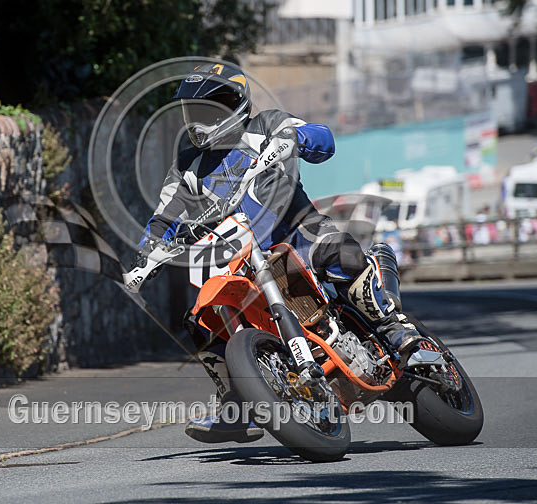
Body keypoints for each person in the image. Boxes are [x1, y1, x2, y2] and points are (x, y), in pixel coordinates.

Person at [131, 63, 423, 444]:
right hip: (236, 256)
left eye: (208, 110)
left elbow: (322, 139)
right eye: (193, 112)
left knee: (336, 251)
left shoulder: (267, 125)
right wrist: (145, 255)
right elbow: (164, 214)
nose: (200, 121)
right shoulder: (188, 163)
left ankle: (393, 327)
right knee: (199, 317)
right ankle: (236, 402)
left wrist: (296, 139)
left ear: (234, 103)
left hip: (295, 232)